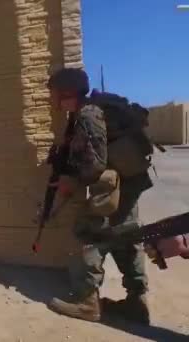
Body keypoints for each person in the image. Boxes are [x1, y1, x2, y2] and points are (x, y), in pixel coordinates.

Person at [44, 67, 153, 325]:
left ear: (67, 92)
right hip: (128, 183)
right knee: (126, 238)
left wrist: (71, 181)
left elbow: (94, 165)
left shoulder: (87, 114)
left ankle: (87, 302)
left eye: (56, 93)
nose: (53, 99)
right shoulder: (92, 111)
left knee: (88, 236)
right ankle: (137, 303)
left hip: (115, 189)